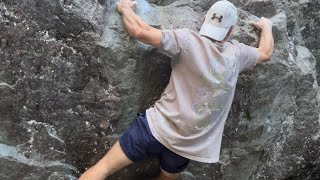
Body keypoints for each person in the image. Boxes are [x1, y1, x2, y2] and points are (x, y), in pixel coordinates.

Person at [79, 0, 274, 179]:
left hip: (154, 128)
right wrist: (267, 27)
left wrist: (125, 9)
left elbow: (140, 31)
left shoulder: (188, 40)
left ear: (205, 19)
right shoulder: (238, 54)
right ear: (231, 30)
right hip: (187, 147)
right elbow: (265, 52)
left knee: (103, 167)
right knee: (168, 178)